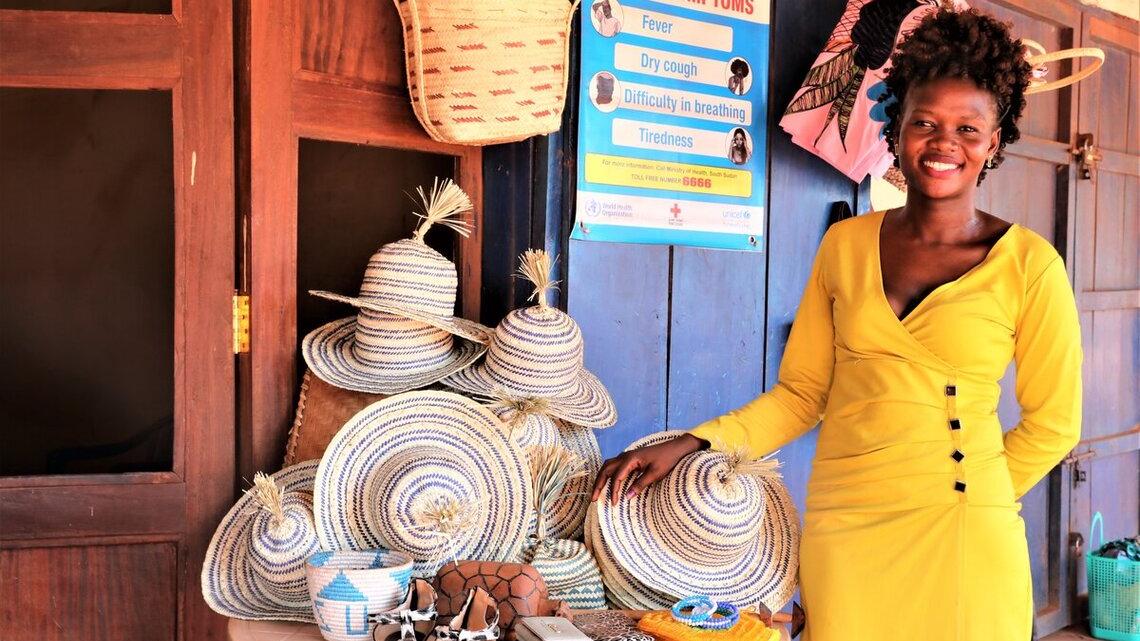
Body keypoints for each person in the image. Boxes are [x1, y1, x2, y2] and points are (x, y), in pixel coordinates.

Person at [591, 9, 1081, 641]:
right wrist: (696, 443)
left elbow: (1054, 423)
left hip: (966, 535)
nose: (943, 143)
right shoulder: (845, 246)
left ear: (994, 141)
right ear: (896, 126)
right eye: (925, 122)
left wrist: (972, 490)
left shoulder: (1031, 265)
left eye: (968, 128)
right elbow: (802, 395)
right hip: (846, 529)